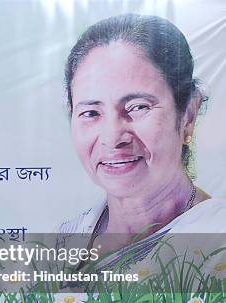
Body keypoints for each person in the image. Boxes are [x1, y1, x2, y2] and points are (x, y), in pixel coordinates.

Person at [59, 14, 226, 262]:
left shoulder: (216, 239)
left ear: (188, 115)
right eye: (91, 113)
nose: (113, 137)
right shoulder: (59, 246)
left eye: (138, 107)